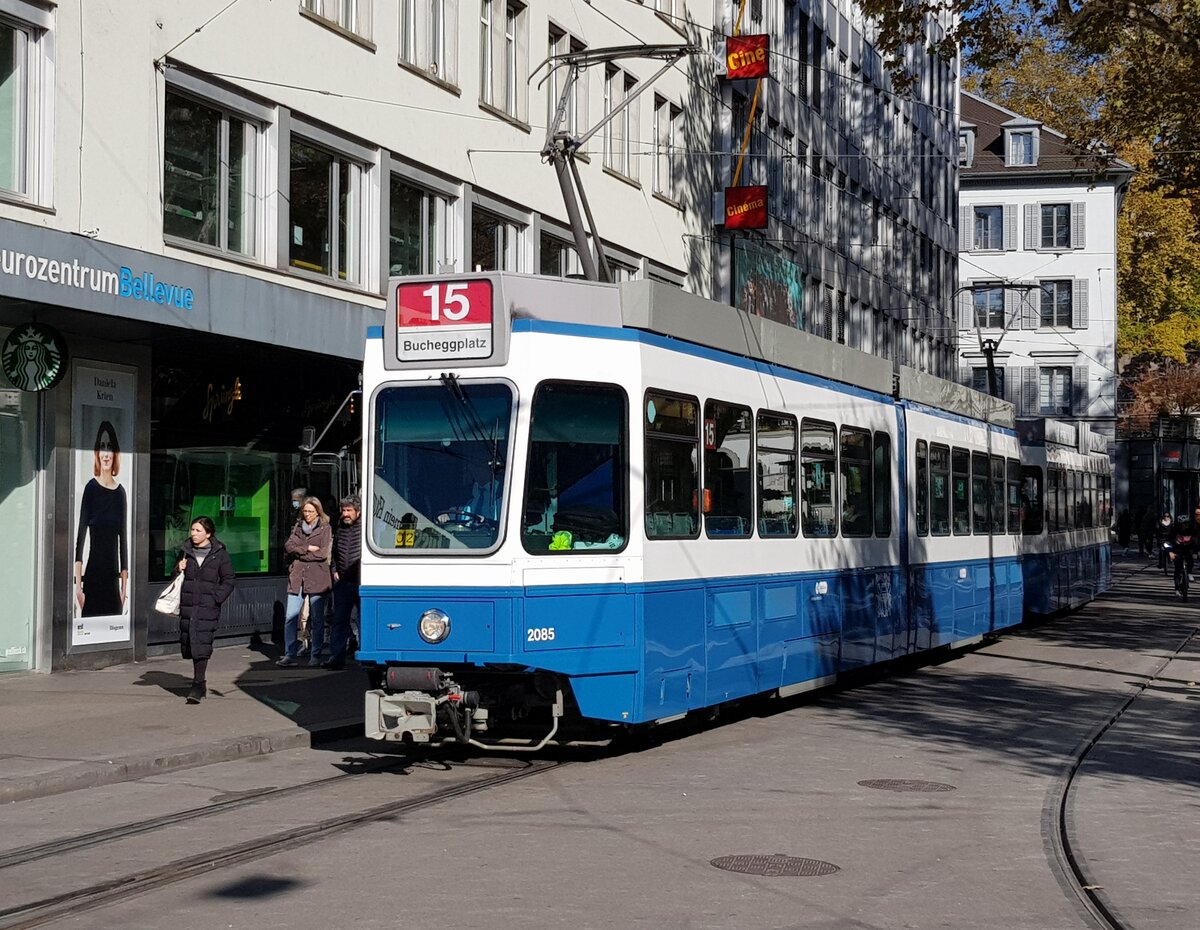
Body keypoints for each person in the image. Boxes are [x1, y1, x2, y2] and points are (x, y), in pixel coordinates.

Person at [176, 516, 235, 704]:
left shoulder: (219, 553)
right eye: (192, 530)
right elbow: (175, 577)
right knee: (190, 642)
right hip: (188, 605)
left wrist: (216, 597)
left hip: (208, 606)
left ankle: (197, 684)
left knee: (202, 643)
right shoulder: (185, 552)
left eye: (198, 531)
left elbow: (229, 579)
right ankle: (199, 684)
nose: (193, 534)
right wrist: (178, 568)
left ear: (208, 533)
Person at [74, 421, 128, 617]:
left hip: (113, 580)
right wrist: (78, 587)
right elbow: (79, 541)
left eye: (109, 447)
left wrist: (124, 589)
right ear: (97, 453)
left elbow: (124, 543)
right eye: (101, 447)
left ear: (115, 453)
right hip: (94, 577)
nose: (105, 453)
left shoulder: (120, 493)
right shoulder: (91, 488)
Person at [278, 496, 332, 667]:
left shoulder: (325, 528)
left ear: (318, 511)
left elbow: (323, 553)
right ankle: (289, 654)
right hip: (297, 576)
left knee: (316, 618)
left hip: (317, 576)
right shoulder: (297, 527)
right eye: (305, 511)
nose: (307, 514)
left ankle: (315, 655)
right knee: (290, 617)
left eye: (310, 511)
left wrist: (299, 552)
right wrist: (307, 548)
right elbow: (288, 546)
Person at [324, 495, 361, 670]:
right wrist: (334, 570)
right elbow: (334, 552)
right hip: (343, 582)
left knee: (364, 620)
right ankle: (336, 656)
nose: (345, 514)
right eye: (343, 510)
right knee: (339, 620)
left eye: (349, 510)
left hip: (362, 582)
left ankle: (365, 654)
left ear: (358, 512)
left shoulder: (365, 529)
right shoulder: (339, 527)